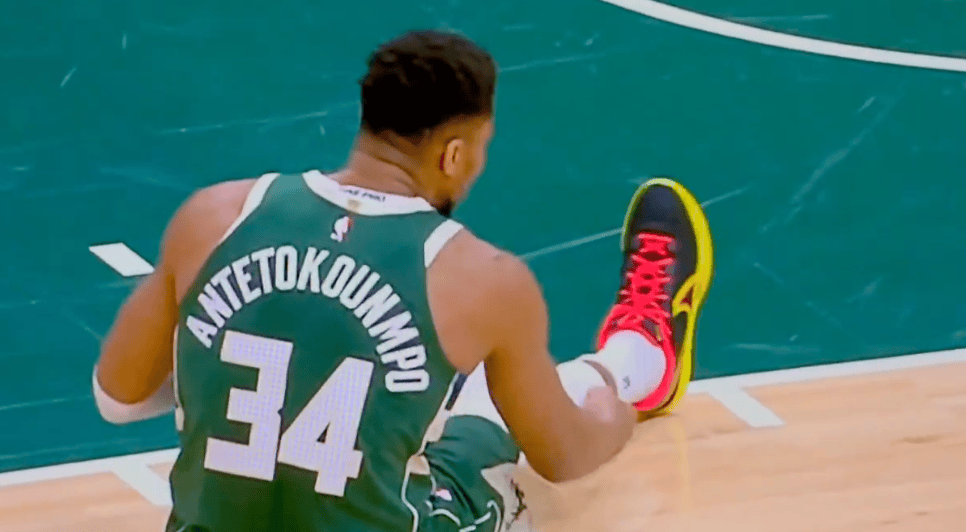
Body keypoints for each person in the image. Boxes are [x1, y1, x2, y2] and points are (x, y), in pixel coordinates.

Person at [92, 29, 714, 532]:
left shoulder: (216, 215)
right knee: (484, 418)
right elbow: (563, 454)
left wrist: (245, 362)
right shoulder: (484, 281)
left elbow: (117, 399)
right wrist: (611, 414)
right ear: (455, 154)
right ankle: (636, 358)